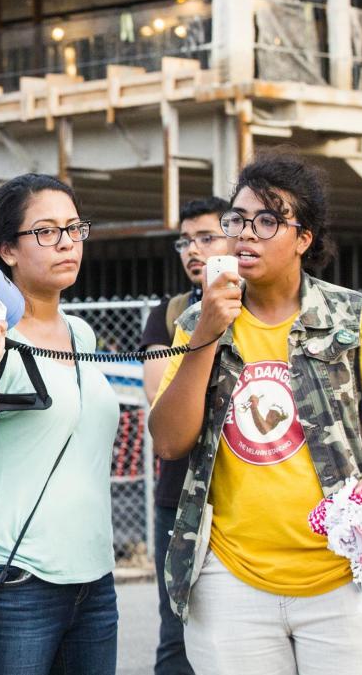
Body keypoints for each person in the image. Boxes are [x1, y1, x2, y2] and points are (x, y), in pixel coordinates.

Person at [149, 150, 362, 675]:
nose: (245, 234)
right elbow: (168, 442)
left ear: (304, 238)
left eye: (268, 220)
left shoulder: (353, 316)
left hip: (348, 578)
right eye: (236, 220)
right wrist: (208, 332)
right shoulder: (197, 321)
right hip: (231, 582)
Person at [0, 173, 120, 675]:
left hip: (94, 584)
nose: (65, 242)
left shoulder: (80, 333)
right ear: (7, 251)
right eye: (45, 231)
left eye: (74, 228)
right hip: (12, 581)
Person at [139, 196, 228, 675]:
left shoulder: (261, 310)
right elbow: (161, 400)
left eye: (207, 238)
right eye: (185, 241)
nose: (193, 250)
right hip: (179, 495)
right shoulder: (170, 312)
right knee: (176, 630)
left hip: (243, 495)